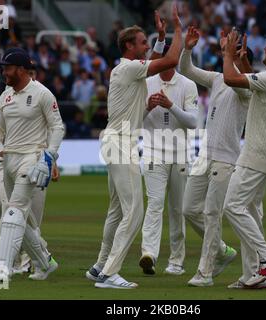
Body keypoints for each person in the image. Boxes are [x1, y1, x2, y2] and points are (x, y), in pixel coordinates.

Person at [86, 5, 184, 289]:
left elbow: (154, 59)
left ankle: (100, 266)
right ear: (129, 46)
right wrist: (177, 29)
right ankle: (110, 274)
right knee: (134, 212)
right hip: (120, 144)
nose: (147, 45)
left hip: (115, 140)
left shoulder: (127, 69)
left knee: (117, 210)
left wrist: (161, 39)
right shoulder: (129, 68)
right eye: (143, 42)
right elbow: (169, 61)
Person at [0, 48, 65, 287]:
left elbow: (57, 127)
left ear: (20, 69)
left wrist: (49, 158)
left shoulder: (42, 93)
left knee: (14, 212)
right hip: (9, 160)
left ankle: (3, 268)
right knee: (19, 216)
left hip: (32, 159)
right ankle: (45, 262)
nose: (3, 73)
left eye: (7, 69)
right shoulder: (6, 96)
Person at [179, 27, 253, 287]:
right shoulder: (216, 79)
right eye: (222, 51)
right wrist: (187, 48)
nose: (223, 55)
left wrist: (230, 53)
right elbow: (186, 70)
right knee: (188, 209)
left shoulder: (246, 85)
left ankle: (205, 272)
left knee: (212, 213)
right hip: (205, 155)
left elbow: (235, 79)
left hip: (225, 159)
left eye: (227, 52)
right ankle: (221, 251)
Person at [221, 31, 266, 288]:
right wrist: (243, 62)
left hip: (256, 155)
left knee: (232, 206)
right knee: (250, 212)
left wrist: (227, 53)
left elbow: (230, 79)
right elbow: (255, 83)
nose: (264, 48)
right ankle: (253, 275)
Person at [138, 44, 198, 276]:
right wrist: (147, 107)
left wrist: (170, 106)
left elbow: (193, 122)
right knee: (154, 204)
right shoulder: (146, 83)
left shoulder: (187, 85)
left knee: (177, 209)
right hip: (153, 152)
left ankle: (176, 260)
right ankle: (149, 254)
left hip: (180, 154)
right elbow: (136, 120)